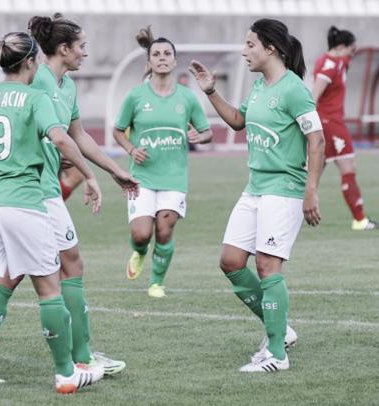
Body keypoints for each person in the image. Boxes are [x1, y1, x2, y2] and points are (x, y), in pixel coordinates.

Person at [0, 14, 138, 384]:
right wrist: (89, 177)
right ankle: (82, 358)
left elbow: (78, 136)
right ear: (63, 49)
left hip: (35, 192)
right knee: (71, 264)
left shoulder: (66, 85)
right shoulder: (36, 80)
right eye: (82, 46)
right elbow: (15, 122)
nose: (86, 53)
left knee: (11, 272)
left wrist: (111, 169)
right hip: (34, 191)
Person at [0, 31, 105, 399]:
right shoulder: (35, 98)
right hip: (23, 204)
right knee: (49, 289)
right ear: (30, 62)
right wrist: (90, 175)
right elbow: (61, 139)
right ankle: (66, 374)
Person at [189, 18, 324, 372]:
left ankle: (277, 353)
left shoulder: (294, 89)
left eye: (250, 44)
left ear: (271, 48)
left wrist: (311, 190)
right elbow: (237, 121)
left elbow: (317, 140)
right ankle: (281, 329)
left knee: (267, 266)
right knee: (231, 261)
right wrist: (209, 91)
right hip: (255, 187)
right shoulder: (260, 86)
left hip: (285, 189)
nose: (244, 51)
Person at [113, 26, 212, 298]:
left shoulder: (187, 97)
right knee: (142, 234)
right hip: (143, 176)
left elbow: (208, 132)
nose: (162, 57)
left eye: (167, 53)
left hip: (174, 177)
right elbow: (118, 131)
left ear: (174, 60)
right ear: (149, 62)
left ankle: (156, 283)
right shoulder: (136, 96)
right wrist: (132, 149)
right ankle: (140, 251)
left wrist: (199, 137)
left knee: (165, 230)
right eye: (156, 54)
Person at [312, 26, 376, 230]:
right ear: (340, 47)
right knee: (348, 168)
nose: (353, 55)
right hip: (331, 124)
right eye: (351, 50)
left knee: (313, 172)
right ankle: (360, 220)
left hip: (329, 123)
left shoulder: (334, 61)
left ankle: (293, 210)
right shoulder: (331, 66)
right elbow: (313, 97)